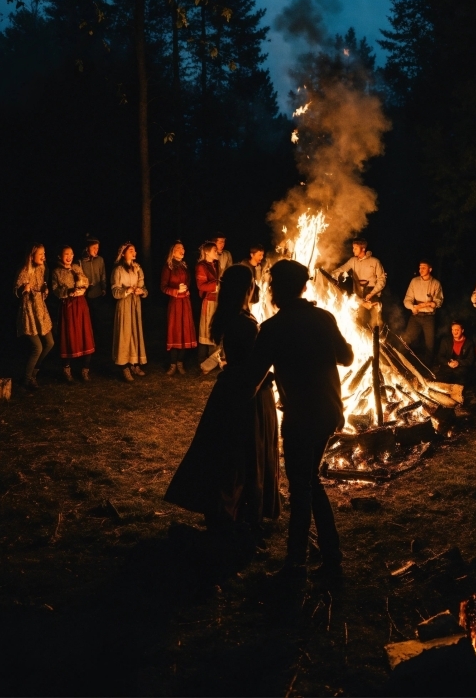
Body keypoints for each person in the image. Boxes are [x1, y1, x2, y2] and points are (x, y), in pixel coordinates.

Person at [250, 259, 354, 582]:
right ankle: (332, 557)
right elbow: (347, 357)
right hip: (327, 412)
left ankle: (295, 564)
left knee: (301, 486)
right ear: (305, 287)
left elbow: (253, 373)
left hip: (300, 415)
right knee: (310, 481)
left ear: (274, 291)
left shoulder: (272, 328)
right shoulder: (323, 318)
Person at [165, 264, 280, 546]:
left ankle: (233, 515)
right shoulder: (242, 322)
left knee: (230, 452)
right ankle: (238, 518)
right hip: (246, 394)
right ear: (248, 288)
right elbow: (253, 364)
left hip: (231, 389)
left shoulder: (232, 315)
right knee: (243, 454)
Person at [51, 246, 95, 382]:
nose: (69, 256)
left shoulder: (77, 267)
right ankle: (67, 370)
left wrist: (82, 288)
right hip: (68, 307)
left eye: (71, 253)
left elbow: (86, 281)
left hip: (81, 304)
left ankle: (85, 370)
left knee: (85, 335)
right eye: (66, 254)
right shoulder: (56, 272)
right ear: (60, 256)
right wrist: (67, 292)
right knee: (69, 337)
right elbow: (55, 290)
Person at [14, 244, 54, 390]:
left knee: (49, 343)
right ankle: (27, 379)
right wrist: (23, 289)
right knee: (37, 347)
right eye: (40, 254)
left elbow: (41, 287)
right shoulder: (25, 270)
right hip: (29, 312)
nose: (44, 257)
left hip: (40, 311)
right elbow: (16, 290)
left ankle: (34, 372)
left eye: (44, 253)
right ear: (31, 257)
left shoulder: (42, 268)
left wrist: (45, 290)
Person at [111, 242, 148, 382]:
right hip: (124, 304)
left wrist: (141, 291)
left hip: (135, 304)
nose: (134, 253)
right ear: (123, 253)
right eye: (131, 250)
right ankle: (124, 366)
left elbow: (144, 287)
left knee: (135, 333)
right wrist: (126, 291)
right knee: (125, 334)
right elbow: (115, 291)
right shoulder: (118, 270)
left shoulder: (138, 268)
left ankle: (134, 363)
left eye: (135, 250)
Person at [332, 238, 386, 329]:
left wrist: (372, 293)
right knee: (359, 321)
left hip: (372, 293)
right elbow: (342, 269)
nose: (353, 250)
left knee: (376, 322)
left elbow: (382, 280)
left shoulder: (375, 261)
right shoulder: (353, 261)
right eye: (353, 248)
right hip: (358, 294)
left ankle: (378, 340)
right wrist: (333, 275)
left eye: (355, 248)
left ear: (363, 249)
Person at [161, 241, 197, 375]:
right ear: (173, 251)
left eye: (183, 248)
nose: (182, 250)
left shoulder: (184, 265)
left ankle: (180, 363)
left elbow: (189, 282)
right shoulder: (168, 267)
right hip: (175, 303)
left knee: (185, 331)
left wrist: (187, 290)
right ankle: (172, 364)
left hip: (185, 302)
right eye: (178, 248)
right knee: (174, 331)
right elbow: (163, 287)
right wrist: (176, 290)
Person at [402, 260, 444, 366]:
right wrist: (412, 307)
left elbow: (438, 301)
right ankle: (403, 363)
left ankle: (428, 368)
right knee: (406, 340)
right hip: (416, 316)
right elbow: (407, 299)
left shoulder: (435, 283)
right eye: (420, 267)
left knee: (430, 344)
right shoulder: (414, 281)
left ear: (430, 269)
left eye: (424, 268)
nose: (421, 270)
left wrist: (431, 304)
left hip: (429, 317)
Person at [195, 241, 220, 361]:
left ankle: (214, 359)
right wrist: (217, 284)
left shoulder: (215, 264)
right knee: (206, 330)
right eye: (214, 250)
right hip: (209, 301)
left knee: (215, 328)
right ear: (207, 252)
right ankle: (202, 360)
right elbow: (201, 286)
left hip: (217, 301)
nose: (217, 252)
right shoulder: (201, 266)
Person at [81, 235, 107, 344]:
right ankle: (88, 340)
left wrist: (103, 287)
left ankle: (99, 341)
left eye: (97, 248)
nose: (96, 250)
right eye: (94, 248)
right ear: (87, 248)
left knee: (98, 319)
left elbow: (103, 275)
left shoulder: (100, 260)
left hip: (97, 293)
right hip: (86, 295)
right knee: (88, 319)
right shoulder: (81, 262)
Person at [435, 321, 475, 385]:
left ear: (462, 330)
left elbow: (470, 360)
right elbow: (440, 356)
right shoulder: (446, 341)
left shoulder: (469, 343)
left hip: (461, 369)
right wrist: (448, 363)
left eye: (457, 330)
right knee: (439, 381)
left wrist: (458, 363)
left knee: (461, 382)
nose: (454, 332)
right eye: (453, 330)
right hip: (448, 367)